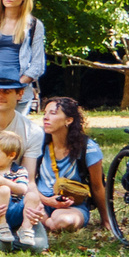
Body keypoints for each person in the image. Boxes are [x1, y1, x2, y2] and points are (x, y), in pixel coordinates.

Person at [33, 96, 106, 237]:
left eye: (53, 113)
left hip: (71, 205)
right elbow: (27, 180)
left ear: (69, 120)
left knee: (63, 221)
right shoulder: (38, 144)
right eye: (45, 113)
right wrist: (47, 201)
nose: (46, 118)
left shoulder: (88, 148)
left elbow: (98, 187)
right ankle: (48, 223)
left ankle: (47, 223)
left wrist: (106, 220)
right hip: (39, 200)